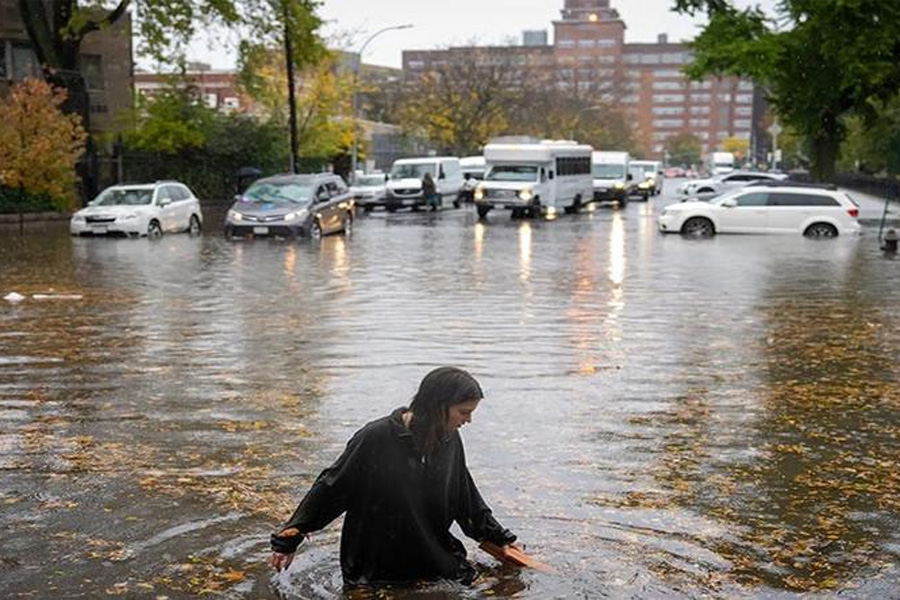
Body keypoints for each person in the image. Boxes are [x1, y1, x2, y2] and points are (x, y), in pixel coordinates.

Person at [269, 367, 517, 588]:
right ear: (438, 405)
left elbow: (465, 496)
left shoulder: (449, 439)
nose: (468, 420)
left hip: (430, 556)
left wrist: (499, 538)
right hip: (375, 566)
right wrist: (289, 538)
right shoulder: (375, 437)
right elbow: (332, 487)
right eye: (464, 412)